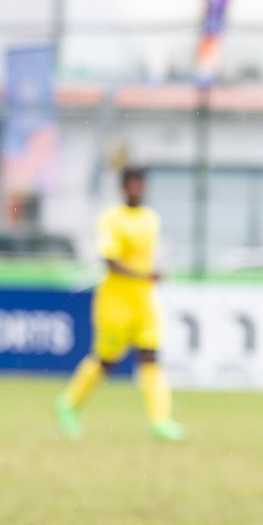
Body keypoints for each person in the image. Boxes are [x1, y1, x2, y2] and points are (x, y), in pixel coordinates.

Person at [54, 167, 187, 442]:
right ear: (123, 187)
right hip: (115, 303)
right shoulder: (111, 219)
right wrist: (144, 274)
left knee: (150, 357)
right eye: (132, 184)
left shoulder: (151, 218)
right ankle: (68, 403)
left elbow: (146, 258)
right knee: (106, 362)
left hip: (144, 302)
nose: (137, 189)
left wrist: (152, 274)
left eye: (141, 184)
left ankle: (160, 420)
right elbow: (110, 260)